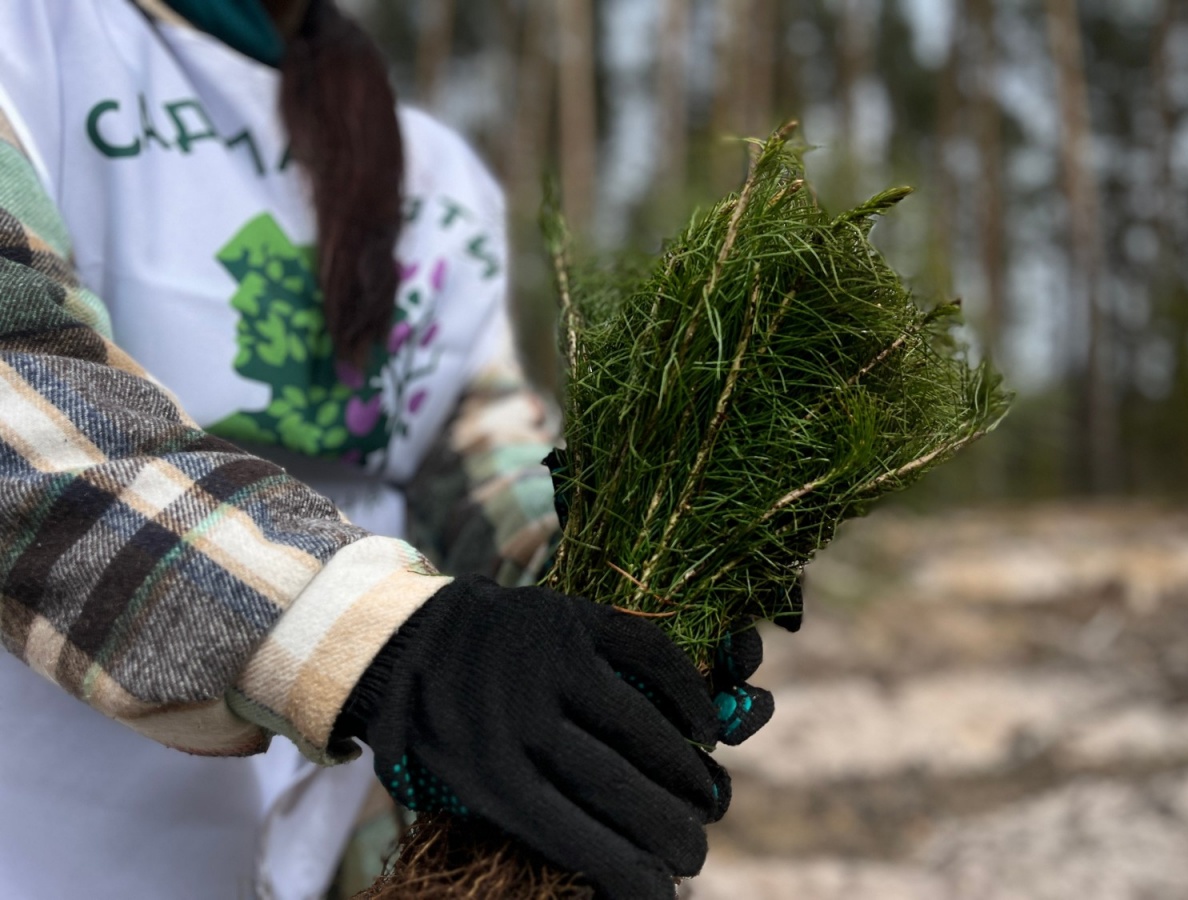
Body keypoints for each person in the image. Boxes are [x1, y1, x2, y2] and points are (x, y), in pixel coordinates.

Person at [0, 2, 778, 898]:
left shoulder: (434, 171)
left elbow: (472, 434)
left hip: (342, 832)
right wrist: (385, 642)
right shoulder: (39, 47)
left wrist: (594, 588)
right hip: (56, 834)